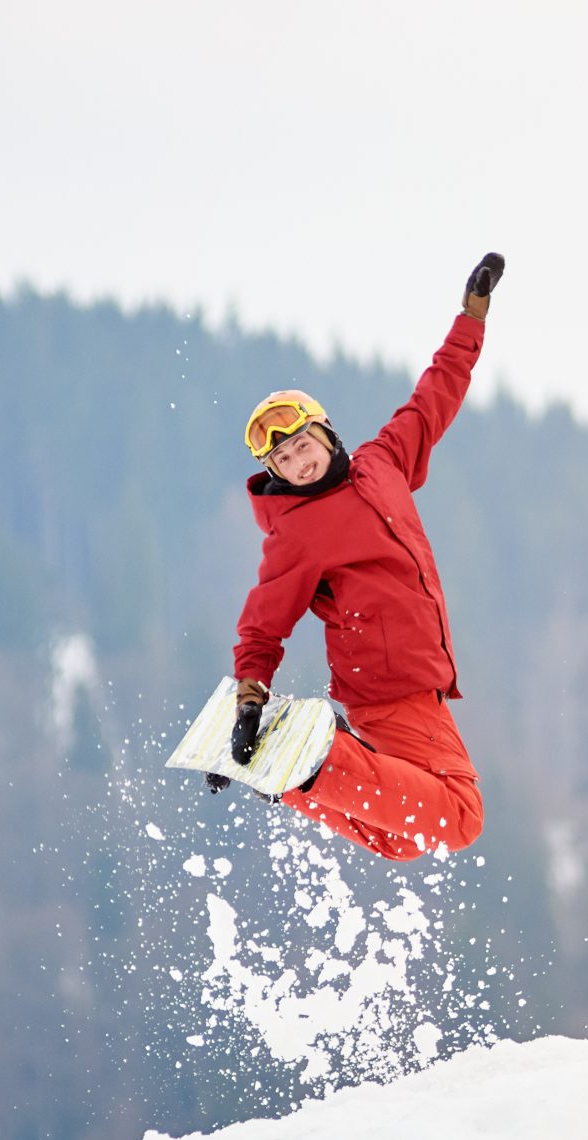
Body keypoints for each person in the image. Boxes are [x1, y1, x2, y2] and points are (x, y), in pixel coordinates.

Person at [221, 253, 504, 861]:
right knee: (460, 817)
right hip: (392, 690)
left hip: (415, 685)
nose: (299, 464)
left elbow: (434, 397)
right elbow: (264, 623)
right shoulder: (297, 531)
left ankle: (294, 778)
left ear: (326, 433)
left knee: (403, 840)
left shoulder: (384, 462)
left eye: (302, 446)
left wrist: (471, 318)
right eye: (283, 461)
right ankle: (320, 760)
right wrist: (249, 698)